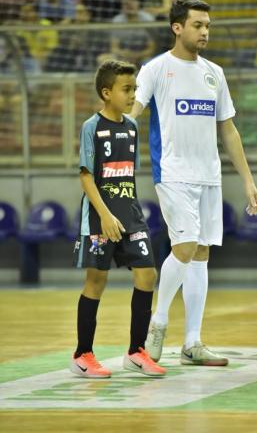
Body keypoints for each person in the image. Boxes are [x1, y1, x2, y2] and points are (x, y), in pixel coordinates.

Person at [130, 0, 257, 366]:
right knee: (185, 246)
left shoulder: (214, 73)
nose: (204, 31)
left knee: (201, 254)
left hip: (209, 176)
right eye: (197, 25)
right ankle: (158, 322)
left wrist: (248, 181)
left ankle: (192, 342)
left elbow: (229, 129)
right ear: (177, 27)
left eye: (208, 26)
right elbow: (132, 114)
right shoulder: (155, 69)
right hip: (171, 172)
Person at [71, 59, 166, 377]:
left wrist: (125, 213)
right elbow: (87, 177)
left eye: (135, 88)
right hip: (100, 217)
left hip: (131, 213)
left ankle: (136, 351)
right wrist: (106, 215)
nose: (133, 94)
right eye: (127, 89)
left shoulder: (132, 126)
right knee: (96, 280)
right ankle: (82, 354)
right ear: (106, 92)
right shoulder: (91, 127)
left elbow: (126, 175)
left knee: (147, 275)